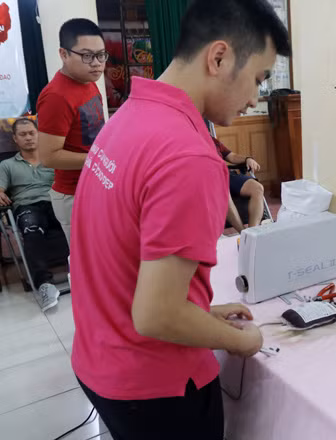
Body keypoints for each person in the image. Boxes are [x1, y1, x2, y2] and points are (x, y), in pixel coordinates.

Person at [69, 1, 291, 438]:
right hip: (156, 384)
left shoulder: (129, 115)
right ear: (219, 57)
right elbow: (156, 314)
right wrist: (240, 340)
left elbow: (125, 258)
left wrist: (201, 313)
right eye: (258, 79)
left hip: (100, 358)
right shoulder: (189, 155)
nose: (254, 98)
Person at [36, 18, 107, 245]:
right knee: (88, 261)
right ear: (64, 54)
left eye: (101, 55)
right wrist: (101, 159)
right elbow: (49, 157)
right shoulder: (56, 96)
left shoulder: (88, 81)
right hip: (74, 194)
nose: (96, 63)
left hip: (96, 184)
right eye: (87, 56)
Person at [0, 119, 62, 311]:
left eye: (31, 133)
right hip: (28, 206)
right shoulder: (7, 165)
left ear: (38, 135)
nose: (28, 138)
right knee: (32, 229)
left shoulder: (52, 159)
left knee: (82, 222)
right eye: (23, 134)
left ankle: (92, 272)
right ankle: (44, 284)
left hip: (56, 201)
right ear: (15, 139)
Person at [213, 137, 265, 231]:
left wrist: (247, 159)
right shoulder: (191, 141)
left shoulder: (212, 140)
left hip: (226, 174)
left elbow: (232, 156)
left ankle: (253, 232)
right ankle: (243, 233)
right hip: (210, 179)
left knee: (257, 188)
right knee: (225, 193)